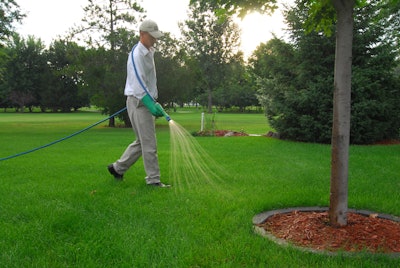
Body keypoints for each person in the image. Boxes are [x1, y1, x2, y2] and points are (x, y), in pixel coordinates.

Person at [108, 19, 170, 188]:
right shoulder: (137, 55)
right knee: (149, 143)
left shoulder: (149, 51)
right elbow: (138, 83)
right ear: (142, 35)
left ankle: (117, 168)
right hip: (139, 101)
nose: (155, 40)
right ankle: (153, 180)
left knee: (142, 141)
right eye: (152, 37)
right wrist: (150, 104)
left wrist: (154, 101)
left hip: (144, 100)